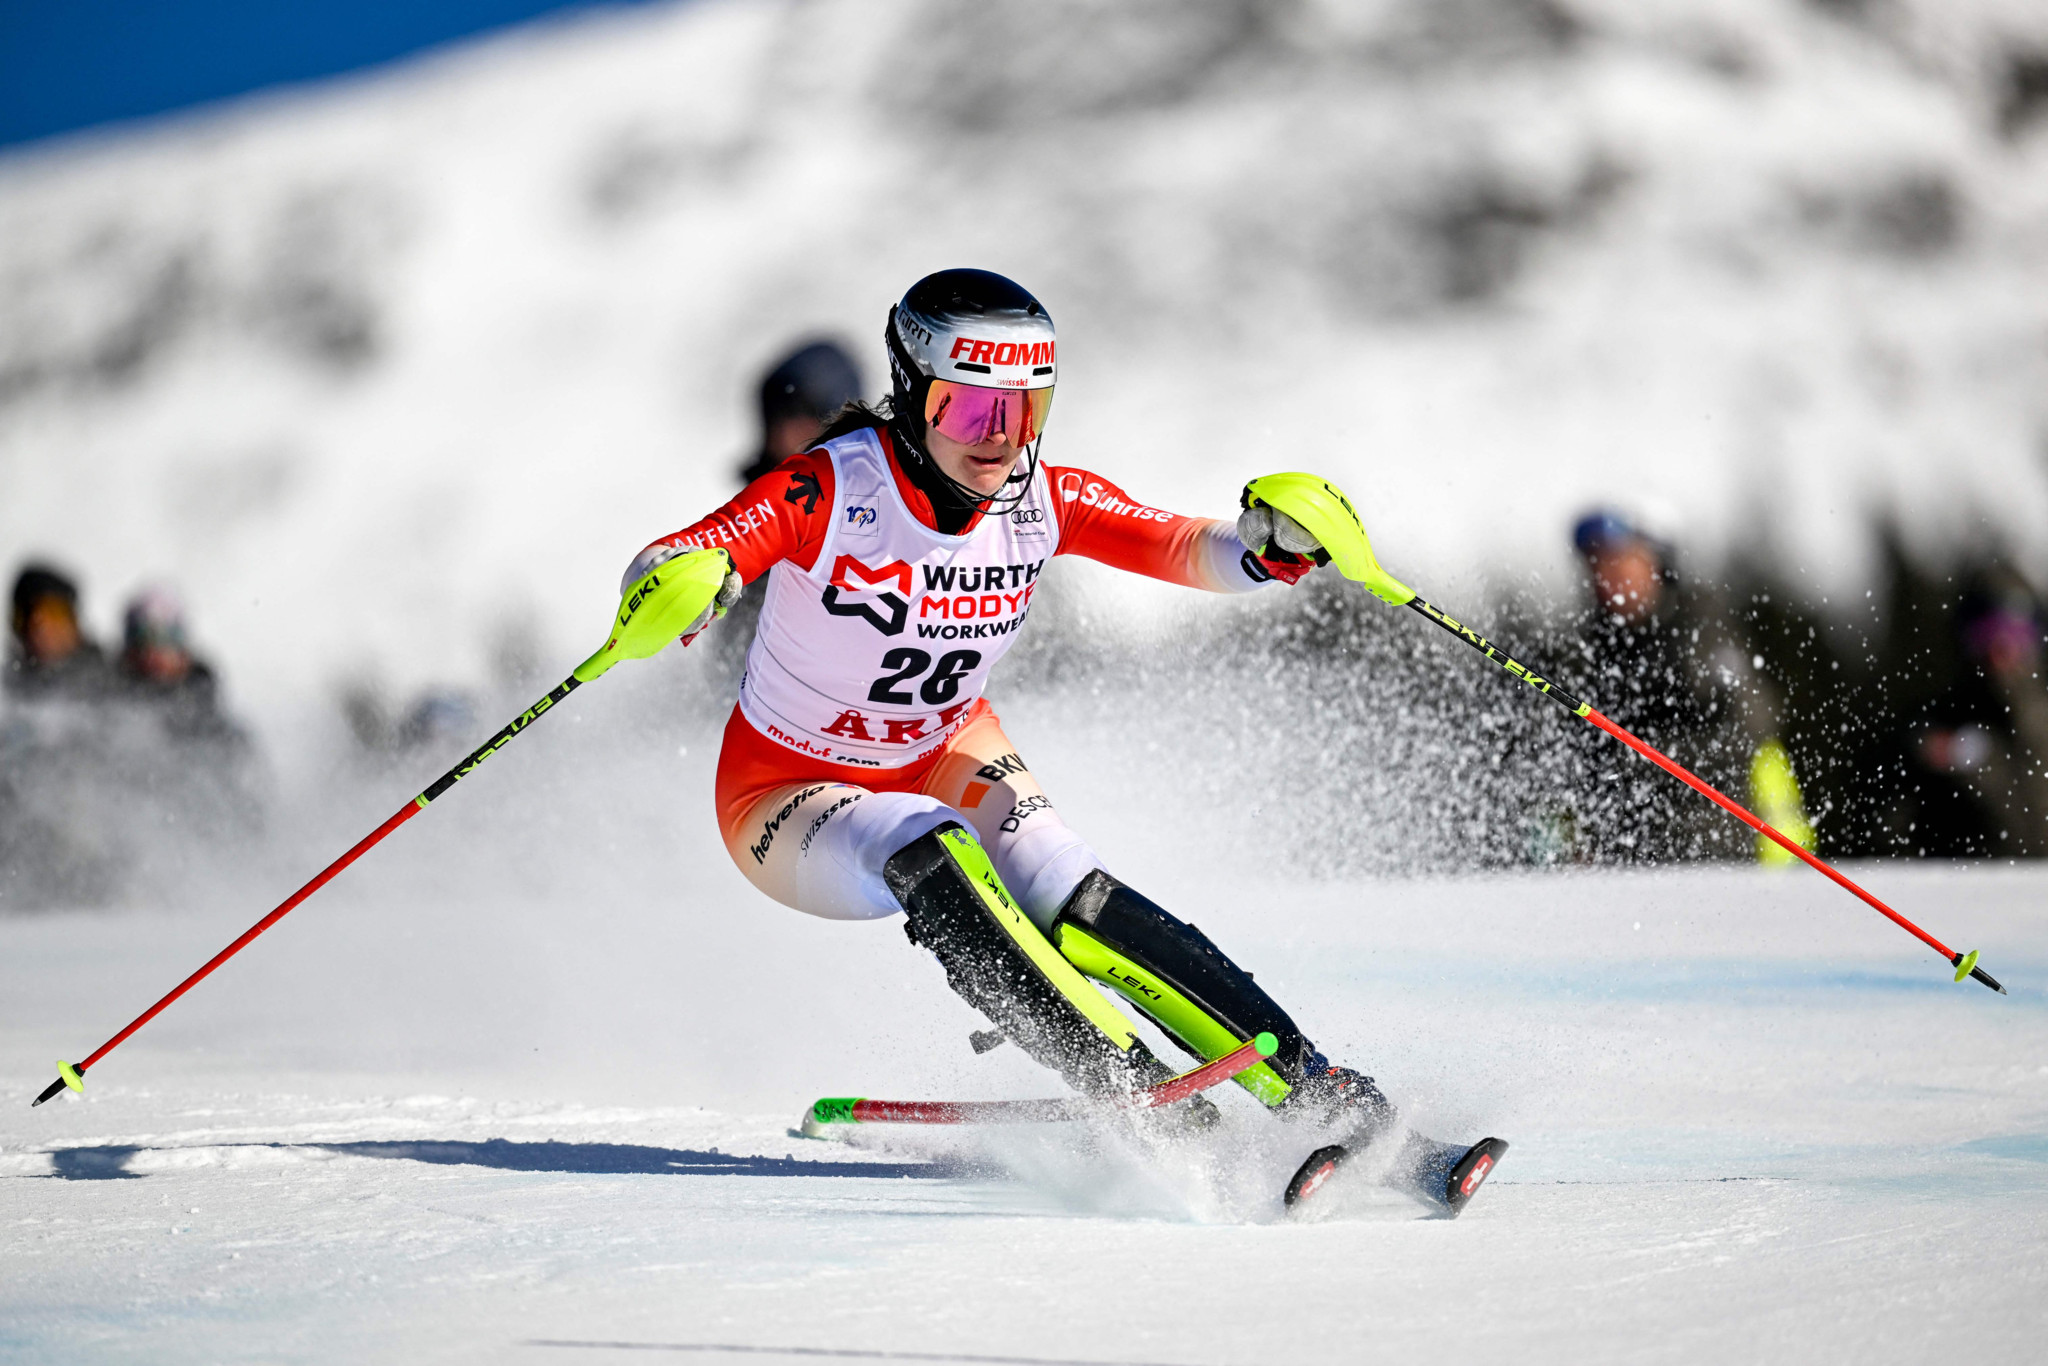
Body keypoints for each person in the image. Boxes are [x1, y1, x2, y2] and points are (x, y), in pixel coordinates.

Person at [621, 269, 1498, 1211]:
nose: (998, 440)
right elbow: (680, 551)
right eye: (966, 411)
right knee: (930, 845)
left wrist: (1273, 544)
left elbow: (1186, 546)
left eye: (1023, 409)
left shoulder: (1040, 499)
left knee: (1070, 889)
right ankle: (1148, 1110)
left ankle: (1331, 1104)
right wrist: (686, 579)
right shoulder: (832, 487)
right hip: (783, 793)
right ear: (912, 393)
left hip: (942, 746)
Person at [735, 340, 864, 487]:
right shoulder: (754, 503)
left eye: (809, 420)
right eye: (782, 414)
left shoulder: (863, 501)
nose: (788, 434)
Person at [6, 563, 112, 701]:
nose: (39, 628)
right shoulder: (10, 689)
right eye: (25, 615)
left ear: (74, 623)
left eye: (53, 613)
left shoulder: (114, 686)